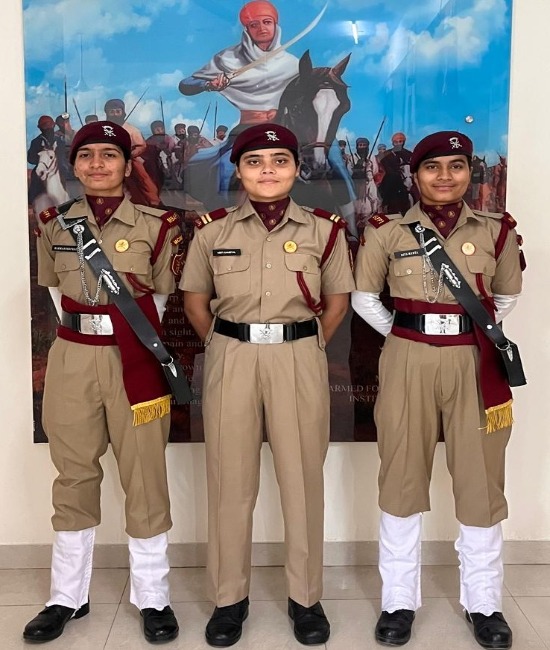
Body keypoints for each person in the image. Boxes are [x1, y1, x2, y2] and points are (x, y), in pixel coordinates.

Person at [180, 123, 355, 647]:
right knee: (229, 480)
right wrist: (226, 344)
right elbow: (194, 301)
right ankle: (228, 599)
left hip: (297, 357)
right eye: (255, 162)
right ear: (238, 171)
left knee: (302, 480)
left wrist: (303, 343)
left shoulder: (324, 230)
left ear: (297, 168)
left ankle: (306, 597)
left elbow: (337, 303)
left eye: (280, 160)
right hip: (231, 355)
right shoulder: (213, 231)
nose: (268, 171)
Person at [351, 131, 523, 649]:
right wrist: (409, 333)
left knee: (480, 482)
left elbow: (506, 298)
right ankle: (398, 601)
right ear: (415, 174)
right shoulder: (386, 231)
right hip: (409, 359)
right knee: (401, 478)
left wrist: (464, 330)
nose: (445, 177)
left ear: (470, 172)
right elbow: (364, 298)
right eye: (433, 167)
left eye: (456, 166)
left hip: (475, 362)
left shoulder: (497, 230)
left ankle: (484, 603)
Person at [23, 121, 181, 644]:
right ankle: (66, 596)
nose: (97, 164)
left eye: (108, 155)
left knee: (145, 476)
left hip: (134, 358)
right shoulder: (54, 223)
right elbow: (54, 293)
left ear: (126, 164)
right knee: (73, 475)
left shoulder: (158, 224)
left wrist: (129, 337)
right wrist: (85, 329)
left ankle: (153, 597)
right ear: (73, 165)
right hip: (73, 358)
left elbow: (159, 301)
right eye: (86, 155)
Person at [104, 98, 161, 206]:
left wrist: (129, 155)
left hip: (129, 159)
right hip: (107, 160)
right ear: (107, 114)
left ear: (123, 113)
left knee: (142, 176)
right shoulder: (102, 129)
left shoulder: (132, 130)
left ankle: (153, 201)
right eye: (111, 112)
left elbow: (141, 146)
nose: (115, 114)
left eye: (117, 111)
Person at [378, 131, 414, 213]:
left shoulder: (409, 154)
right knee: (391, 179)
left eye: (400, 141)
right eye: (396, 142)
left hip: (407, 176)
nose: (398, 144)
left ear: (404, 142)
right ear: (393, 143)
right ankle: (385, 203)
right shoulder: (386, 154)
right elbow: (386, 168)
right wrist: (398, 174)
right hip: (393, 178)